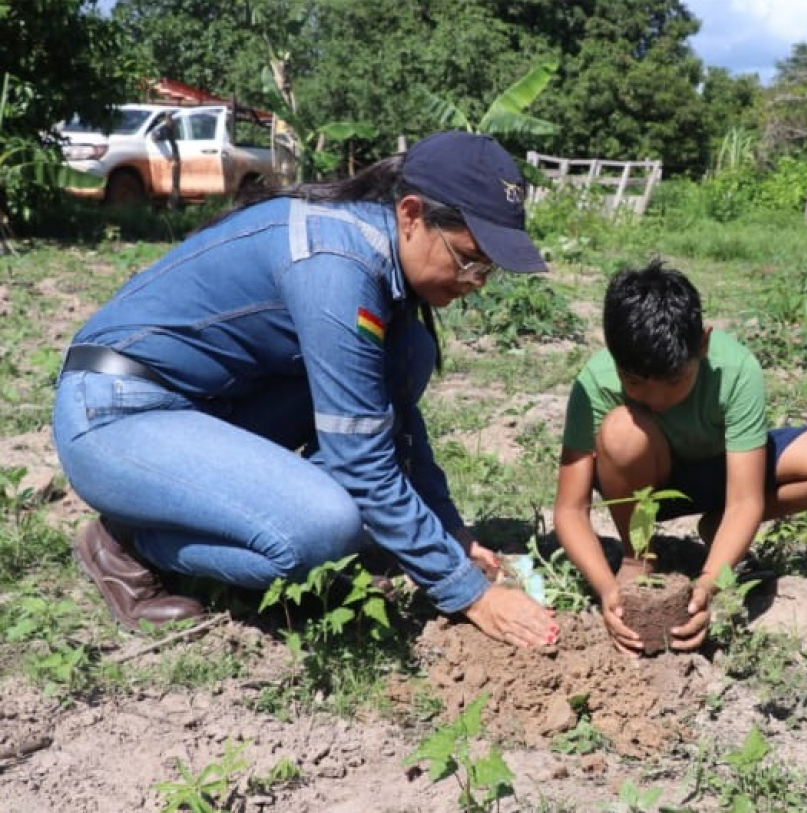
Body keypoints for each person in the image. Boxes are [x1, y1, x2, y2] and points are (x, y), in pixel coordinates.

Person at [52, 130, 559, 649]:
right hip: (115, 412)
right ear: (411, 214)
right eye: (470, 259)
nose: (476, 281)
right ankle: (128, 542)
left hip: (203, 409)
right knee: (324, 530)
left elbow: (394, 419)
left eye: (489, 271)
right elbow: (362, 464)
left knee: (409, 356)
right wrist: (470, 593)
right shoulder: (336, 265)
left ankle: (231, 516)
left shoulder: (379, 261)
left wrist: (449, 532)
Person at [553, 260, 807, 655]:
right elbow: (570, 509)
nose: (657, 399)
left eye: (673, 382)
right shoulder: (596, 381)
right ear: (613, 354)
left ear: (702, 344)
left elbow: (746, 499)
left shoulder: (734, 368)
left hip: (728, 473)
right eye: (634, 383)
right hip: (648, 483)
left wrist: (709, 584)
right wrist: (605, 585)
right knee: (622, 429)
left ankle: (720, 530)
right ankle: (639, 556)